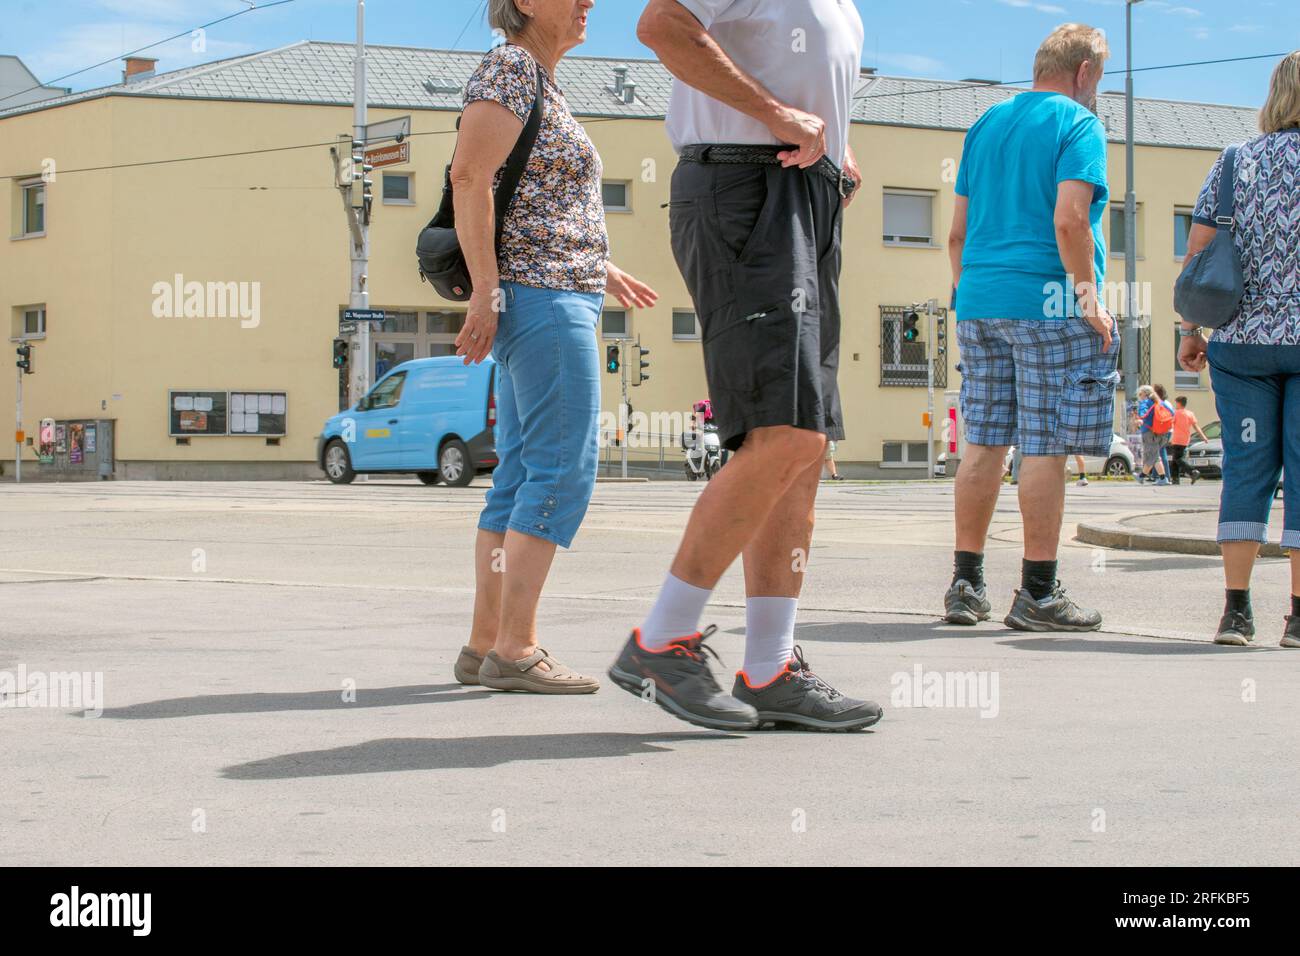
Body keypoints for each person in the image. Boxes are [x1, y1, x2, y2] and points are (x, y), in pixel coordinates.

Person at [611, 0, 883, 732]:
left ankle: (770, 666)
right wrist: (777, 115)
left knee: (804, 446)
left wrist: (835, 150)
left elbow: (805, 82)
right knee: (783, 433)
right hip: (742, 189)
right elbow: (661, 24)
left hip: (805, 197)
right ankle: (659, 641)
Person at [452, 0, 659, 692]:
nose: (589, 3)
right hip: (541, 300)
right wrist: (487, 291)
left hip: (552, 289)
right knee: (559, 470)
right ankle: (516, 648)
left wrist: (598, 264)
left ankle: (486, 644)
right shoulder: (510, 67)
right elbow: (469, 179)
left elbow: (530, 201)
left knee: (516, 476)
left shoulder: (537, 80)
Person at [944, 23, 1116, 632]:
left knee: (984, 442)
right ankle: (1039, 592)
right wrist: (1089, 299)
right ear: (1086, 71)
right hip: (1047, 301)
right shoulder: (1079, 123)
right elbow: (1071, 221)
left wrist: (972, 295)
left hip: (979, 300)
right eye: (1102, 76)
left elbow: (956, 234)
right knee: (1045, 443)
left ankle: (965, 584)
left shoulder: (985, 124)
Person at [1177, 50, 1300, 649]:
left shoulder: (1231, 164)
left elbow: (1199, 256)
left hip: (1242, 349)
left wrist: (1190, 334)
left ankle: (1237, 614)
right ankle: (1299, 620)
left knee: (1246, 469)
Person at [1133, 385, 1171, 486]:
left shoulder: (1145, 402)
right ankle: (1141, 476)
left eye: (1140, 394)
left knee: (1154, 456)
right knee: (1153, 455)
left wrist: (1140, 420)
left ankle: (1163, 478)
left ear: (1145, 394)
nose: (1139, 396)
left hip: (1149, 432)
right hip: (1161, 433)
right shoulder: (1160, 402)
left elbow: (1143, 413)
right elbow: (1171, 412)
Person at [1169, 396, 1208, 485]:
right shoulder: (1190, 413)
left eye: (1176, 403)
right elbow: (1196, 426)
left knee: (1178, 459)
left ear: (1179, 403)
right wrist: (1203, 436)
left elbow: (1170, 425)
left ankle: (1192, 471)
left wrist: (1168, 436)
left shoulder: (1176, 413)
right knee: (1175, 460)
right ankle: (1175, 479)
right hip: (1185, 439)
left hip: (1177, 439)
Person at [1152, 384, 1176, 479]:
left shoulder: (1162, 403)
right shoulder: (1166, 403)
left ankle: (1165, 476)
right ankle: (1156, 475)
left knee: (1160, 452)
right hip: (1166, 430)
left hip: (1163, 430)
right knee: (1157, 452)